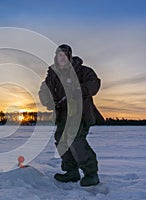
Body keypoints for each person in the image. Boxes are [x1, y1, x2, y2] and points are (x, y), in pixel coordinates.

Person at [38, 44, 104, 186]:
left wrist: (81, 90)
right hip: (63, 115)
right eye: (59, 55)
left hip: (80, 113)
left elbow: (95, 83)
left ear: (69, 56)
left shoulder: (82, 70)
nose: (62, 57)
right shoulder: (52, 75)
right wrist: (48, 102)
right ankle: (71, 172)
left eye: (64, 55)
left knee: (75, 140)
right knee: (61, 140)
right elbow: (43, 91)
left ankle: (91, 174)